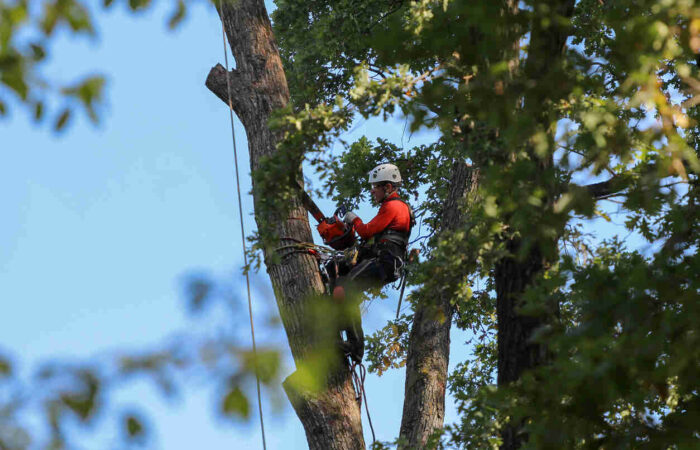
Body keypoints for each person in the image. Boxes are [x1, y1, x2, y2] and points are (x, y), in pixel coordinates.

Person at [331, 163, 414, 362]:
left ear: (388, 187)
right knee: (338, 273)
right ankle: (340, 319)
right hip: (381, 258)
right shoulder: (390, 207)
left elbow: (367, 231)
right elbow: (372, 238)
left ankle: (356, 346)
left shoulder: (394, 206)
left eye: (375, 186)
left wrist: (353, 219)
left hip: (385, 261)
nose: (372, 190)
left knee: (347, 286)